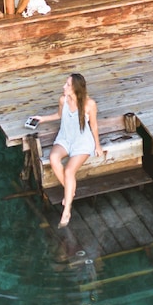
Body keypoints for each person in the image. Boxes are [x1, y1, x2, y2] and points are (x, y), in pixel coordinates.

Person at [38, 73, 104, 227]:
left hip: (82, 142)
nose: (64, 87)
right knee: (53, 158)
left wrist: (98, 145)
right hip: (65, 138)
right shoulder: (63, 100)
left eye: (67, 85)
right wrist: (42, 118)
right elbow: (59, 115)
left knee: (69, 171)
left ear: (76, 88)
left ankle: (67, 209)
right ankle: (70, 190)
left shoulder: (89, 104)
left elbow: (94, 126)